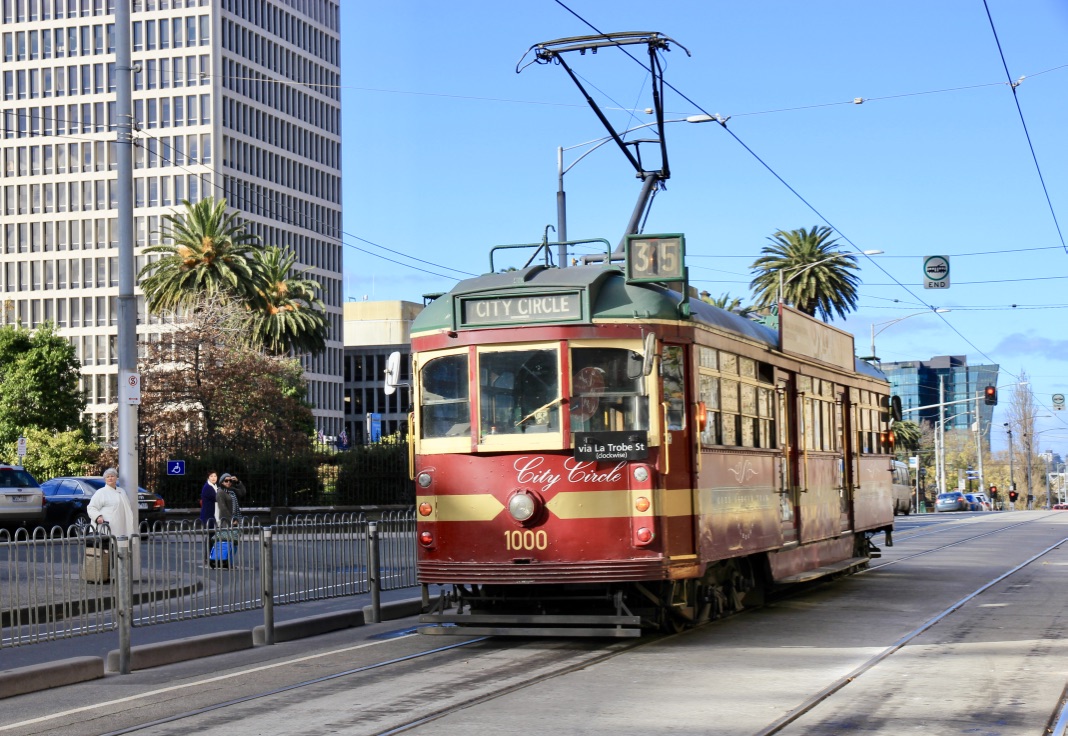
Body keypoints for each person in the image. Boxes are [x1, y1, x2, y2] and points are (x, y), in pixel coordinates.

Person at [86, 468, 135, 537]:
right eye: (107, 477)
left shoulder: (122, 491)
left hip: (121, 526)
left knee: (120, 544)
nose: (110, 478)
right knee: (108, 546)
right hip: (106, 527)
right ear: (105, 479)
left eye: (112, 476)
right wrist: (97, 517)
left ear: (116, 478)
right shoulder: (101, 492)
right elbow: (91, 507)